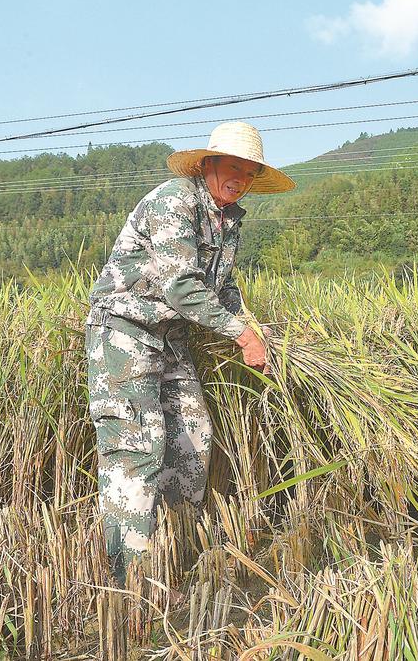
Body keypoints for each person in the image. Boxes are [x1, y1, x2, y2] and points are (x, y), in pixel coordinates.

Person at [85, 121, 295, 583]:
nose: (239, 178)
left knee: (193, 439)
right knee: (137, 449)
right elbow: (180, 285)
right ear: (207, 165)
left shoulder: (228, 221)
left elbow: (223, 287)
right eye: (231, 167)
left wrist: (257, 329)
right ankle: (130, 580)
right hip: (126, 330)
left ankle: (172, 554)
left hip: (172, 340)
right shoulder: (174, 200)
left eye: (248, 172)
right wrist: (241, 336)